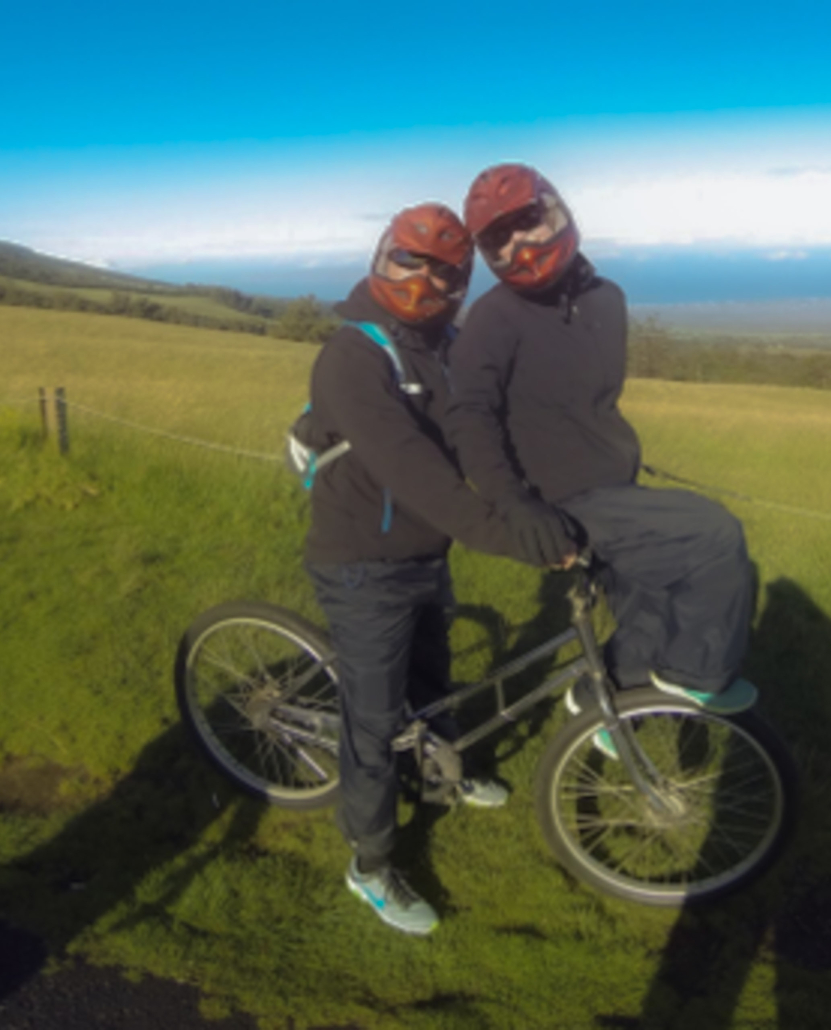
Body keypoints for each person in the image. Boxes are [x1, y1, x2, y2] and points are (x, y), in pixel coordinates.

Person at [446, 164, 758, 745]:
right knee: (713, 537)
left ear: (556, 210)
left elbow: (592, 402)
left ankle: (602, 698)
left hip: (613, 484)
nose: (517, 243)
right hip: (557, 499)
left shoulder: (606, 299)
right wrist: (515, 503)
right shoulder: (494, 319)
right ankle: (694, 673)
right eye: (497, 238)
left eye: (527, 221)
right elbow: (469, 417)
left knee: (654, 592)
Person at [303, 202, 529, 936]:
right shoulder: (353, 354)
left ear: (460, 283)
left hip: (427, 552)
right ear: (383, 254)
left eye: (442, 271)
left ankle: (445, 772)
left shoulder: (444, 342)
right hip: (361, 560)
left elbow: (484, 428)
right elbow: (411, 467)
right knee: (370, 723)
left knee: (432, 676)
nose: (422, 280)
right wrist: (500, 532)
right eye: (409, 260)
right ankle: (368, 865)